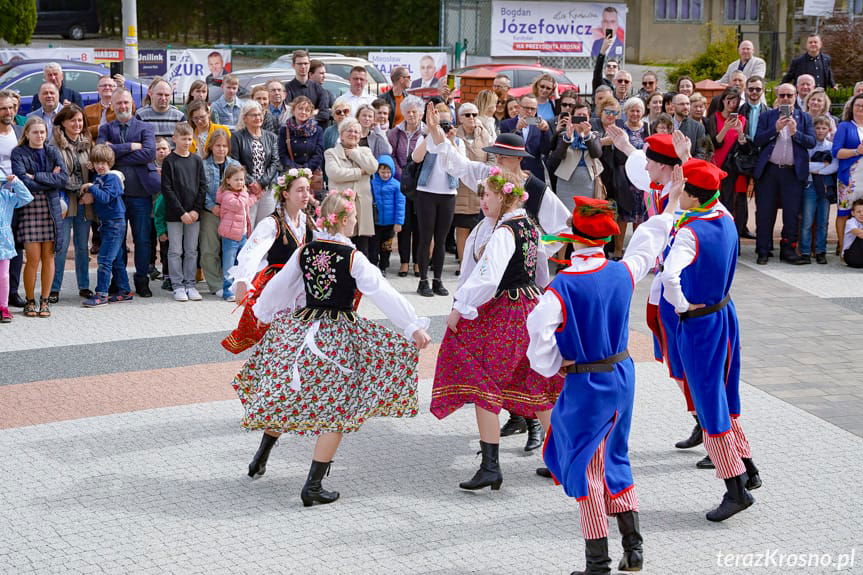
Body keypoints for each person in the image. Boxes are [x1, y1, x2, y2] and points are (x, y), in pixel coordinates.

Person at [235, 189, 431, 506]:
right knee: (337, 409)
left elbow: (279, 287)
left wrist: (262, 314)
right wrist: (411, 325)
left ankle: (262, 455)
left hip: (303, 328)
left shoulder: (305, 252)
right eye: (352, 216)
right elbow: (383, 293)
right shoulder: (352, 257)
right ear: (341, 219)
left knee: (289, 392)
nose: (355, 221)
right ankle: (312, 486)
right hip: (336, 338)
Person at [527, 186, 679, 574]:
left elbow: (537, 333)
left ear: (572, 240)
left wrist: (555, 363)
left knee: (585, 467)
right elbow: (646, 245)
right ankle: (635, 547)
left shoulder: (561, 286)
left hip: (587, 382)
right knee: (615, 455)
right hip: (623, 373)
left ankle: (598, 563)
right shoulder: (622, 271)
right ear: (605, 238)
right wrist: (672, 206)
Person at [430, 167, 563, 491]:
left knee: (480, 377)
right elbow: (542, 271)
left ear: (503, 198)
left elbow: (488, 277)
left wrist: (460, 308)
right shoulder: (529, 227)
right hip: (529, 307)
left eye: (486, 195)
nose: (482, 201)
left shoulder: (505, 232)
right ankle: (563, 460)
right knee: (535, 384)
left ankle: (491, 466)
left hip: (507, 313)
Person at [660, 158, 761, 523]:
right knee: (725, 393)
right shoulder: (725, 218)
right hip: (725, 313)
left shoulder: (690, 233)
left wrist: (683, 305)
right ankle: (747, 465)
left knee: (708, 404)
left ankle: (735, 489)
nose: (680, 194)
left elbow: (671, 276)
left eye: (684, 189)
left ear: (693, 195)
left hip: (700, 322)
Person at [607, 128, 710, 460]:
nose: (644, 164)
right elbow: (639, 163)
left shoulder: (684, 194)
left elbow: (706, 188)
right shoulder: (661, 185)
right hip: (666, 286)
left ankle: (718, 433)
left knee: (692, 364)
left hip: (685, 286)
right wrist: (624, 145)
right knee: (674, 359)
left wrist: (687, 158)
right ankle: (703, 421)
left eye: (650, 159)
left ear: (665, 166)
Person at [221, 168, 316, 354]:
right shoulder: (272, 223)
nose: (306, 195)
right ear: (286, 194)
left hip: (302, 286)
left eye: (307, 189)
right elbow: (252, 252)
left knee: (300, 336)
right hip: (279, 285)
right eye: (300, 190)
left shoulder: (307, 221)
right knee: (277, 335)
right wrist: (242, 281)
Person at [98, 88, 159, 298]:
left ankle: (142, 279)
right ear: (112, 106)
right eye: (118, 104)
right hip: (116, 196)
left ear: (132, 104)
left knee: (142, 239)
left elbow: (149, 153)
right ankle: (120, 280)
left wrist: (116, 151)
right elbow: (101, 155)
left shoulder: (145, 127)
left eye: (126, 102)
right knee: (117, 239)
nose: (122, 107)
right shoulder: (105, 129)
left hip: (140, 192)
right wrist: (131, 147)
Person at [753, 83, 816, 265]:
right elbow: (757, 140)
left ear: (796, 96)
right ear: (777, 97)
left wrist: (796, 133)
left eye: (789, 95)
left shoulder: (804, 118)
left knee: (791, 213)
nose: (786, 99)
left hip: (792, 173)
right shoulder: (767, 116)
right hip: (769, 171)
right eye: (782, 96)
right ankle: (763, 250)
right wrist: (775, 129)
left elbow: (811, 142)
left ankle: (788, 250)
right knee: (765, 212)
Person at [11, 117, 68, 318]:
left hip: (50, 210)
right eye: (35, 132)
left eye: (43, 132)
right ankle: (29, 300)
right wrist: (48, 179)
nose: (40, 136)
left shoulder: (52, 151)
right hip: (29, 210)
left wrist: (37, 177)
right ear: (27, 133)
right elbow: (22, 182)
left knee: (49, 256)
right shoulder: (18, 153)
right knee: (33, 259)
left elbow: (63, 179)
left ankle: (44, 301)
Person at [411, 109, 465, 297]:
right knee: (426, 238)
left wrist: (449, 140)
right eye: (439, 123)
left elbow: (462, 165)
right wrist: (430, 134)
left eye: (446, 123)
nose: (442, 127)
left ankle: (438, 280)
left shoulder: (457, 142)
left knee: (441, 240)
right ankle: (423, 280)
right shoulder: (425, 138)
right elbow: (416, 158)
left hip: (448, 193)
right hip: (426, 193)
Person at [48, 105, 93, 303]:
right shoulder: (54, 145)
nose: (77, 124)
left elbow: (98, 170)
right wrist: (78, 188)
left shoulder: (88, 144)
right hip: (64, 201)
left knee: (83, 245)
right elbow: (55, 176)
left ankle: (84, 286)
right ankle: (54, 288)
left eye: (80, 120)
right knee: (61, 246)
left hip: (84, 201)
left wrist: (90, 188)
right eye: (73, 120)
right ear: (63, 122)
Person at [80, 144, 132, 307]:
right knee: (115, 259)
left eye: (103, 162)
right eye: (97, 163)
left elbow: (105, 197)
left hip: (115, 223)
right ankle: (124, 290)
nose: (100, 166)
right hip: (107, 223)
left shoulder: (112, 178)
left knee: (104, 259)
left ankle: (101, 294)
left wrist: (91, 187)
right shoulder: (99, 178)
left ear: (110, 162)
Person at [161, 122, 208, 302]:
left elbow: (202, 186)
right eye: (183, 138)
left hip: (194, 214)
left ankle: (190, 284)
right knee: (175, 250)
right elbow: (167, 189)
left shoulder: (196, 160)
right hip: (175, 215)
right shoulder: (169, 161)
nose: (187, 142)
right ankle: (178, 285)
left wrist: (196, 210)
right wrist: (182, 212)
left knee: (191, 250)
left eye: (189, 138)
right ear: (175, 139)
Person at [325, 118, 378, 256]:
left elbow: (373, 167)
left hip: (362, 205)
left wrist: (355, 154)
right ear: (341, 134)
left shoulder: (365, 151)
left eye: (356, 131)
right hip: (341, 205)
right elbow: (335, 173)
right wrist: (360, 172)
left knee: (362, 247)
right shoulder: (331, 153)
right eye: (349, 130)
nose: (353, 134)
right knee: (342, 245)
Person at [387, 95, 425, 278]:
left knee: (419, 225)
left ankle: (417, 262)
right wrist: (402, 173)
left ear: (421, 113)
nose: (411, 115)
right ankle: (403, 262)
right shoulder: (395, 133)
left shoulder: (427, 132)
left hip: (422, 185)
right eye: (408, 111)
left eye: (415, 112)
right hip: (401, 184)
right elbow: (391, 155)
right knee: (404, 223)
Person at [706, 86, 750, 238]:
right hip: (717, 167)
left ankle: (732, 239)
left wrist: (739, 132)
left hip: (735, 169)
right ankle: (716, 237)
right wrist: (725, 128)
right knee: (716, 203)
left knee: (735, 205)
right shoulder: (713, 118)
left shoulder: (743, 120)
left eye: (735, 100)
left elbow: (745, 147)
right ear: (723, 100)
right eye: (728, 99)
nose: (731, 103)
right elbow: (713, 143)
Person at [230, 101, 281, 227]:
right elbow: (235, 162)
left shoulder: (271, 137)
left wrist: (262, 183)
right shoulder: (237, 137)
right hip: (247, 189)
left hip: (267, 190)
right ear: (245, 118)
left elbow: (275, 162)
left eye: (259, 114)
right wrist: (252, 182)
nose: (258, 118)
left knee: (265, 227)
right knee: (248, 227)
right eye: (253, 115)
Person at [201, 129, 239, 295]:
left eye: (224, 146)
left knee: (230, 250)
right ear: (211, 146)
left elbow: (241, 187)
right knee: (210, 249)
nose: (221, 149)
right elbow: (200, 189)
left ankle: (229, 282)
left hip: (230, 213)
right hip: (210, 211)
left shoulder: (234, 165)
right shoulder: (202, 165)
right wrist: (211, 206)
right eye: (218, 146)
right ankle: (215, 284)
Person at [613, 97, 650, 259]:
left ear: (642, 112)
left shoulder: (647, 128)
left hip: (643, 178)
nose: (635, 114)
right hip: (625, 177)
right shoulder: (621, 128)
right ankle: (618, 250)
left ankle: (635, 251)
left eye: (638, 110)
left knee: (640, 217)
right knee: (623, 216)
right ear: (626, 112)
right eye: (631, 110)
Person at [217, 164, 258, 301]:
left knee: (241, 263)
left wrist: (256, 197)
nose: (240, 182)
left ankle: (239, 289)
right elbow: (239, 205)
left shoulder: (241, 195)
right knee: (229, 264)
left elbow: (246, 204)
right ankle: (227, 291)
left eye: (242, 179)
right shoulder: (227, 195)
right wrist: (246, 193)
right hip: (230, 237)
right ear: (228, 180)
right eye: (236, 180)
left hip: (243, 235)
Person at [800, 115, 838, 265]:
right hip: (810, 186)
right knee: (807, 221)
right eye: (817, 128)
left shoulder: (831, 146)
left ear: (828, 130)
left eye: (824, 128)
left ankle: (821, 251)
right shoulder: (808, 146)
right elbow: (804, 166)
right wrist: (822, 166)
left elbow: (834, 166)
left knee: (823, 221)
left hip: (825, 187)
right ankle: (805, 252)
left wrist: (816, 168)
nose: (820, 131)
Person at [0, 92, 25, 309]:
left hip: (17, 197)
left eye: (11, 108)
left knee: (17, 246)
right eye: (3, 109)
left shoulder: (19, 131)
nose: (9, 112)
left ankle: (13, 292)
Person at [832, 93, 863, 256]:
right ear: (852, 108)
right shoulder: (845, 126)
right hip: (850, 179)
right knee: (844, 213)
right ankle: (844, 249)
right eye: (858, 105)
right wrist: (856, 151)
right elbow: (836, 152)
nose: (861, 109)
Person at [0, 172, 32, 322]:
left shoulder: (7, 196)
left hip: (4, 242)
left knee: (4, 276)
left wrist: (16, 182)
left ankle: (3, 307)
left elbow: (27, 197)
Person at [499, 95, 552, 181]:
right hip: (512, 172)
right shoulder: (506, 124)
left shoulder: (540, 124)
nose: (529, 111)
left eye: (533, 109)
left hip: (535, 173)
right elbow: (504, 148)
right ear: (519, 107)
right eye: (526, 108)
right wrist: (516, 129)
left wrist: (545, 131)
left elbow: (545, 150)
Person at [370, 155, 403, 275]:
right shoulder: (372, 184)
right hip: (376, 222)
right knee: (373, 247)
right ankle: (373, 267)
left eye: (388, 172)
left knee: (386, 247)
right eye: (383, 171)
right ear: (377, 171)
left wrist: (398, 222)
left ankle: (383, 266)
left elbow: (400, 205)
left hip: (389, 224)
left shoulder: (396, 185)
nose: (385, 174)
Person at [278, 96, 324, 174]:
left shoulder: (317, 130)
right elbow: (282, 154)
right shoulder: (285, 130)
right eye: (300, 108)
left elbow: (318, 154)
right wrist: (294, 169)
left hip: (311, 172)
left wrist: (305, 169)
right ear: (293, 111)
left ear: (310, 113)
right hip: (291, 172)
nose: (303, 112)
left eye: (307, 110)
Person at [285, 50, 331, 127]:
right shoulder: (287, 89)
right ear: (293, 65)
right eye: (299, 64)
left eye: (305, 63)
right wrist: (313, 112)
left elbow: (325, 115)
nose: (303, 66)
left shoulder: (319, 89)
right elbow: (288, 114)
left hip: (316, 135)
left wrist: (300, 115)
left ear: (309, 65)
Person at [153, 137, 172, 290]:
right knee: (156, 242)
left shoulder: (173, 165)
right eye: (158, 149)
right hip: (154, 211)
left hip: (171, 213)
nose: (161, 151)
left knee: (169, 247)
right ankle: (155, 269)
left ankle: (170, 275)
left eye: (164, 148)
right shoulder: (150, 168)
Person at [672, 93, 707, 159]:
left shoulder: (698, 127)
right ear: (673, 106)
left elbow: (701, 153)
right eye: (682, 104)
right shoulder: (664, 123)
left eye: (687, 104)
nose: (685, 107)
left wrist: (689, 164)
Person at [84, 75, 119, 140]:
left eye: (110, 85)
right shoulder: (87, 110)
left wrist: (122, 87)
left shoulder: (121, 108)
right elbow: (83, 132)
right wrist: (98, 128)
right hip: (94, 146)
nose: (107, 87)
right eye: (104, 85)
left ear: (116, 89)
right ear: (98, 89)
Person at [843, 199, 863, 267]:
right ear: (853, 213)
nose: (862, 214)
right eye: (858, 212)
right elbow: (860, 234)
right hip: (851, 255)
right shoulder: (850, 222)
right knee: (860, 237)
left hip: (860, 255)